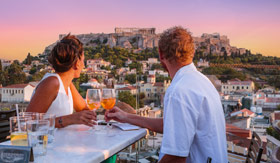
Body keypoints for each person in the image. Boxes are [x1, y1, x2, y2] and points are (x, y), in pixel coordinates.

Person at [105, 27, 228, 162]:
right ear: (192, 53)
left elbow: (176, 157)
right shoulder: (203, 81)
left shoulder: (179, 90)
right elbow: (170, 125)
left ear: (161, 54)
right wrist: (126, 117)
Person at [26, 34, 96, 128]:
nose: (84, 65)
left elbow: (85, 111)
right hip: (47, 142)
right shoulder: (51, 83)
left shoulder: (67, 83)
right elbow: (28, 123)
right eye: (83, 61)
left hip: (62, 141)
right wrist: (68, 119)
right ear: (77, 63)